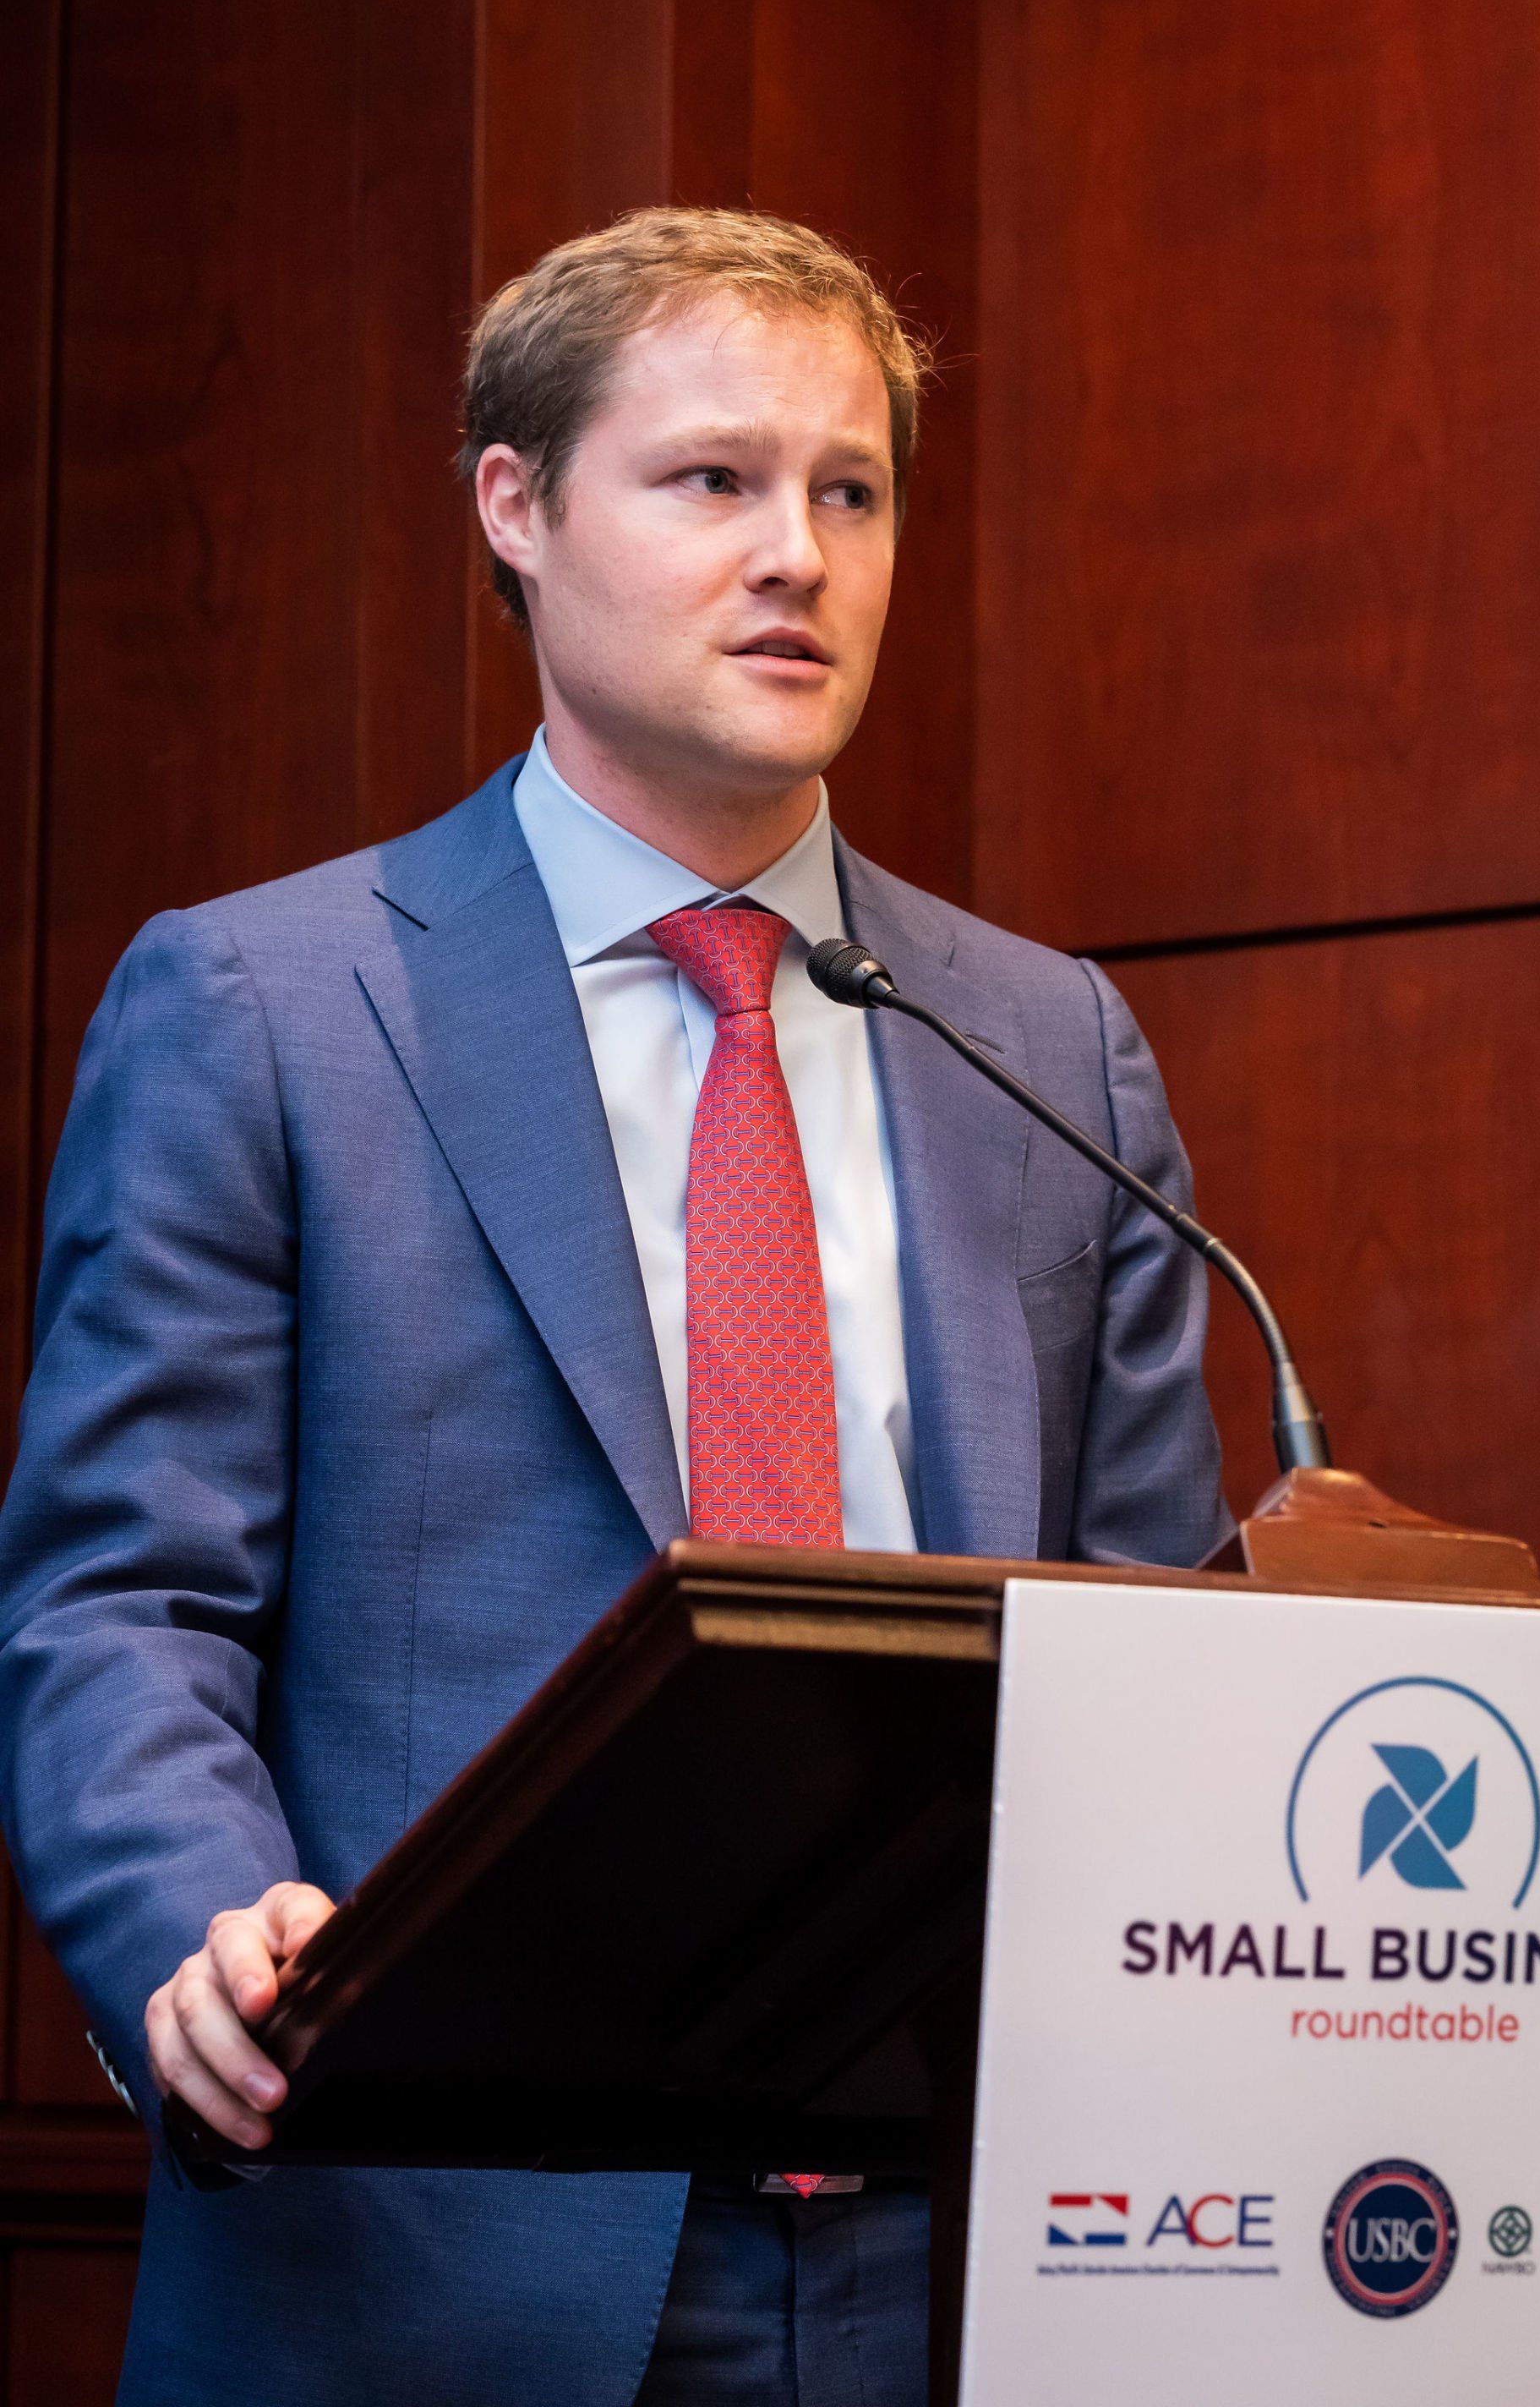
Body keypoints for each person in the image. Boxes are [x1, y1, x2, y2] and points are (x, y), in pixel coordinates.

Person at [0, 207, 1226, 2405]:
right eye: (713, 481)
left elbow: (1160, 1640)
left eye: (851, 491)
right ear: (517, 507)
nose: (800, 555)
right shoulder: (267, 1011)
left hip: (973, 2263)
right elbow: (125, 1597)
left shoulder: (1051, 1046)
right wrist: (194, 1921)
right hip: (432, 2243)